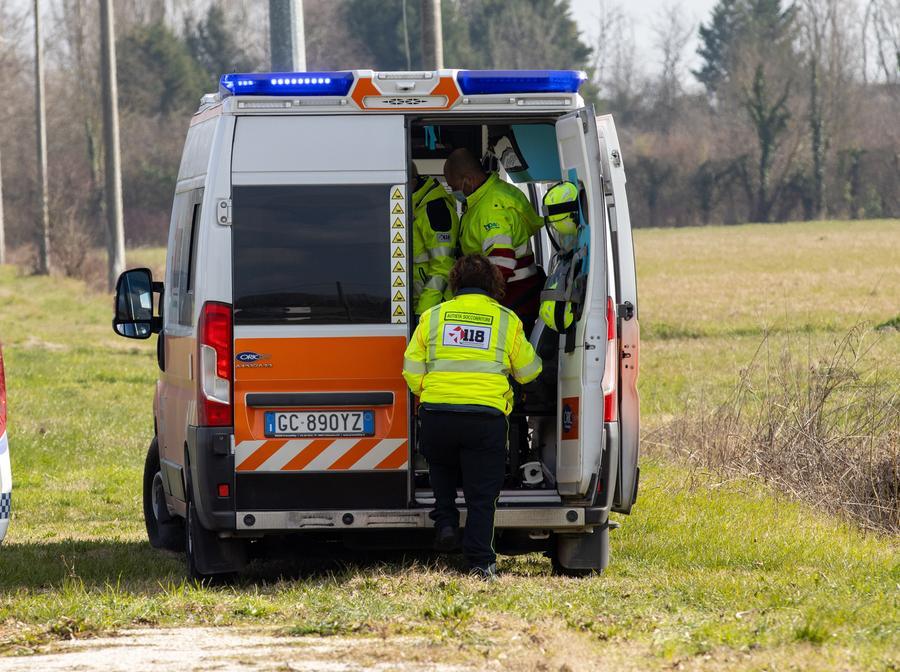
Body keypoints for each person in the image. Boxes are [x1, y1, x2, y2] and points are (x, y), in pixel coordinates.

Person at [402, 254, 542, 579]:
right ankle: (480, 561)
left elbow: (411, 368)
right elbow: (528, 371)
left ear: (455, 283)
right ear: (494, 284)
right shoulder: (506, 319)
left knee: (441, 469)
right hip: (484, 418)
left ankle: (446, 522)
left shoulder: (433, 316)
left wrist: (430, 392)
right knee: (482, 494)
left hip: (437, 414)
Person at [443, 148, 545, 333]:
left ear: (467, 180)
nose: (453, 191)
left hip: (511, 303)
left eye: (453, 186)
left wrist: (476, 307)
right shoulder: (492, 194)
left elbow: (501, 264)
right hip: (515, 300)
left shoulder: (491, 209)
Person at [410, 164, 460, 315]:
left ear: (412, 182)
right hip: (419, 303)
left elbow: (443, 266)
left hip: (434, 307)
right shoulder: (416, 205)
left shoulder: (435, 209)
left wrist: (423, 311)